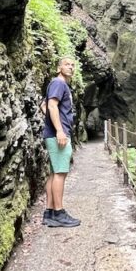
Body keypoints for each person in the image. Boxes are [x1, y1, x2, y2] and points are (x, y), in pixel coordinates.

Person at [42, 57, 81, 227]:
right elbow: (51, 106)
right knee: (60, 173)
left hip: (54, 133)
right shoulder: (59, 83)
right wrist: (59, 130)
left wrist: (50, 123)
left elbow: (43, 104)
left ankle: (49, 213)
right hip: (59, 134)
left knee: (54, 172)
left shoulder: (58, 84)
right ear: (59, 68)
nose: (71, 67)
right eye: (67, 64)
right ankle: (59, 213)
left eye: (73, 65)